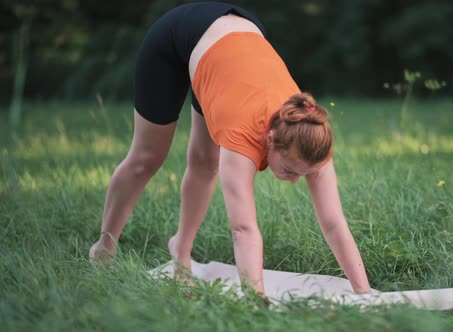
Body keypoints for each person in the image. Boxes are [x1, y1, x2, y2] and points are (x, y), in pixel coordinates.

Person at [89, 2, 371, 295]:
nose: (295, 180)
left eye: (303, 173)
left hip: (232, 50)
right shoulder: (243, 134)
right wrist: (256, 299)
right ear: (270, 139)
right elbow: (243, 229)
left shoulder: (311, 135)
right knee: (146, 158)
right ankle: (104, 247)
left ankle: (180, 251)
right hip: (177, 39)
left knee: (205, 161)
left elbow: (334, 223)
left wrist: (364, 293)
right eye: (288, 170)